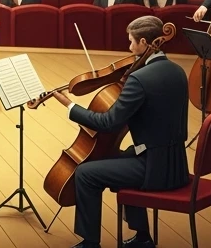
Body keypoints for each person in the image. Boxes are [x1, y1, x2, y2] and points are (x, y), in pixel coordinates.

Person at [32, 15, 187, 248]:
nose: (129, 47)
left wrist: (70, 105)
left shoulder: (139, 79)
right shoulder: (178, 71)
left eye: (132, 42)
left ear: (145, 43)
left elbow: (108, 122)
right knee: (118, 158)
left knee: (86, 173)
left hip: (154, 169)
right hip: (176, 165)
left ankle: (90, 242)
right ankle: (142, 238)